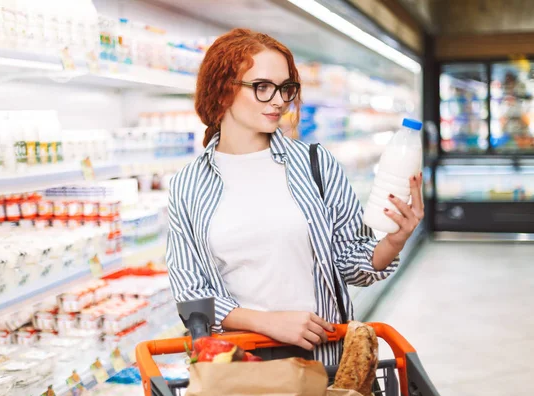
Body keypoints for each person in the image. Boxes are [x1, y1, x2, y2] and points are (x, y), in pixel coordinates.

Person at [166, 28, 424, 365]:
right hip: (239, 364)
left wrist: (395, 239)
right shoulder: (188, 185)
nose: (278, 101)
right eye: (262, 87)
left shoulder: (315, 164)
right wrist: (268, 323)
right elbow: (192, 293)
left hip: (323, 356)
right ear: (222, 89)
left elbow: (352, 265)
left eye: (285, 88)